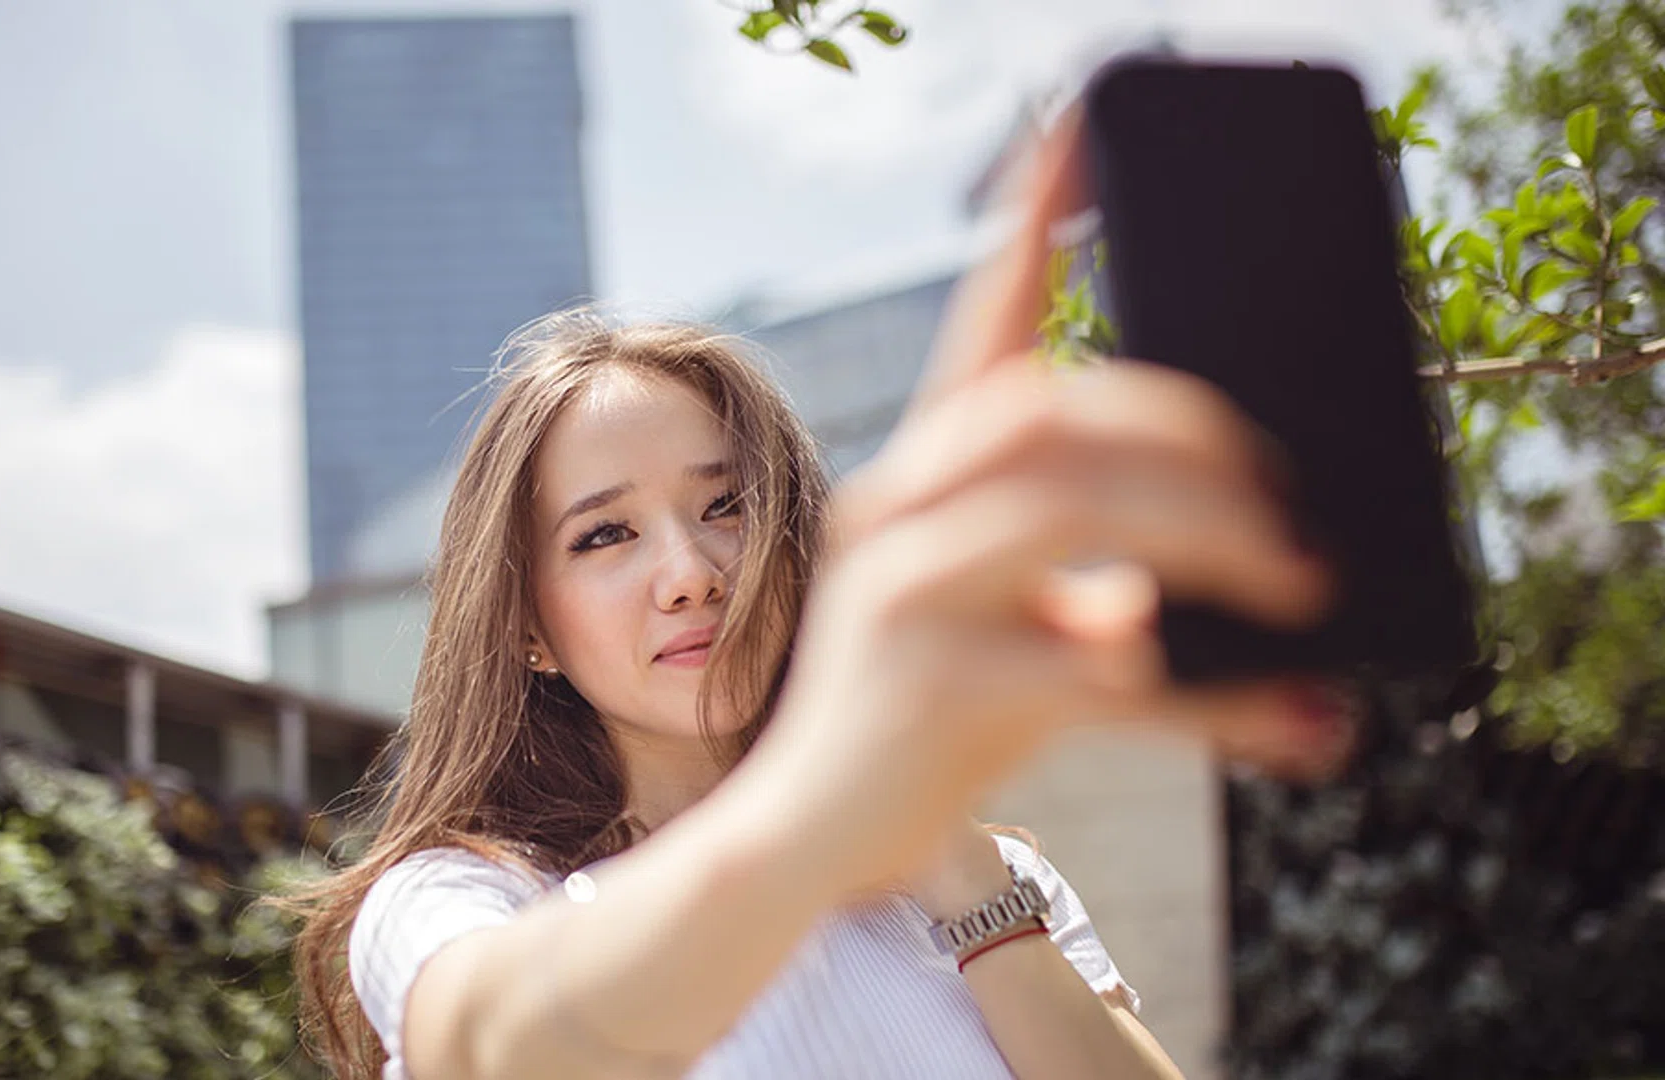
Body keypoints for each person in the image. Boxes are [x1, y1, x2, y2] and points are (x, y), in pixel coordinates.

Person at [280, 114, 1354, 1080]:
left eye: (728, 506)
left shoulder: (991, 874)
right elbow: (507, 1048)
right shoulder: (457, 902)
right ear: (528, 630)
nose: (690, 571)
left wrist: (951, 855)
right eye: (605, 534)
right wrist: (823, 802)